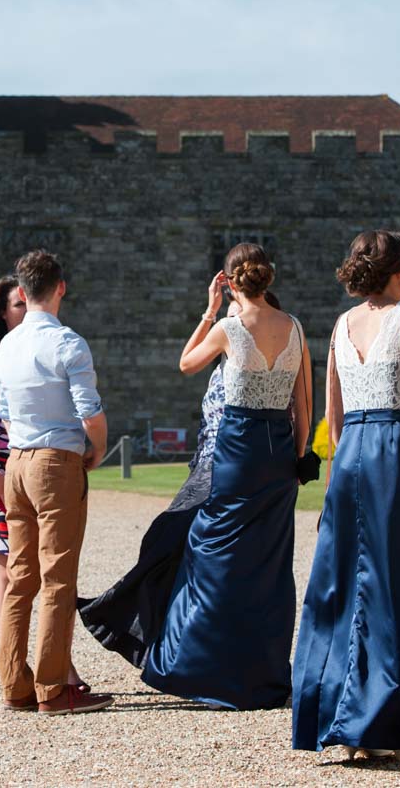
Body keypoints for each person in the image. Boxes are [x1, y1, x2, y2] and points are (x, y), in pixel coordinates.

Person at [291, 230, 400, 761]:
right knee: (397, 588)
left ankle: (348, 722)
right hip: (392, 450)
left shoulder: (341, 324)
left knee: (344, 587)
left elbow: (332, 419)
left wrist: (345, 467)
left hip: (351, 456)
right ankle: (384, 728)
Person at [140, 246, 310, 709]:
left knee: (212, 553)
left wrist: (209, 310)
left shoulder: (228, 327)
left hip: (238, 452)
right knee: (269, 564)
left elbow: (186, 364)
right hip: (279, 456)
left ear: (232, 283)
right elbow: (304, 405)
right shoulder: (294, 326)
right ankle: (265, 672)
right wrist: (299, 461)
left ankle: (204, 668)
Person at [77, 291, 283, 667]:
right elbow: (186, 361)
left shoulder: (252, 363)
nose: (230, 322)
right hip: (204, 465)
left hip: (223, 467)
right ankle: (143, 629)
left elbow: (187, 364)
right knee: (165, 543)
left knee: (175, 545)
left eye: (236, 315)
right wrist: (210, 312)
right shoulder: (225, 356)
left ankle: (125, 622)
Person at [0, 250, 113, 716]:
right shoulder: (68, 344)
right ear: (61, 288)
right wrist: (96, 448)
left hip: (16, 461)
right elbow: (90, 412)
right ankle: (53, 688)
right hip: (56, 460)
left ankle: (14, 684)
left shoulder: (6, 348)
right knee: (58, 578)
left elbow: (0, 411)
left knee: (21, 578)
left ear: (22, 292)